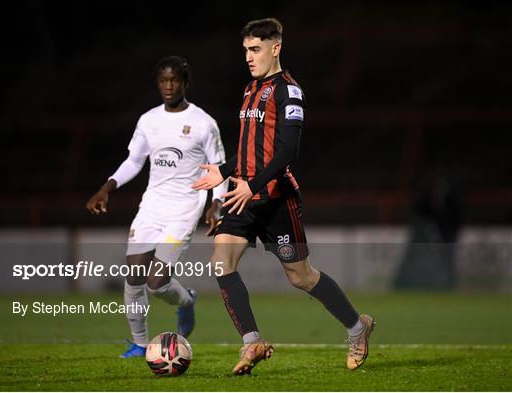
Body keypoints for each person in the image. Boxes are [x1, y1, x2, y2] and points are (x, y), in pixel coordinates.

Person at [192, 18, 375, 374]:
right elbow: (250, 148)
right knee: (220, 262)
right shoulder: (249, 90)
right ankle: (252, 342)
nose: (248, 56)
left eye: (255, 49)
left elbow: (288, 149)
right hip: (243, 194)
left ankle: (358, 327)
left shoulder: (288, 91)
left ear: (275, 48)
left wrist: (253, 184)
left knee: (301, 277)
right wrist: (224, 170)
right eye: (245, 49)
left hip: (275, 198)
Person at [86, 55, 228, 358]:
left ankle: (187, 301)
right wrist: (106, 187)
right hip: (151, 206)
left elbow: (218, 170)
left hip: (184, 209)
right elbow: (134, 160)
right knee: (134, 273)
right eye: (163, 80)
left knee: (156, 281)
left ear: (185, 82)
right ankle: (139, 343)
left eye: (174, 80)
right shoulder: (148, 120)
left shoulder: (204, 124)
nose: (168, 85)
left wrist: (216, 204)